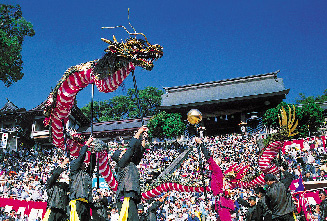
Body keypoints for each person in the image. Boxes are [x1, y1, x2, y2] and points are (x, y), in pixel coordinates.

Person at [111, 126, 148, 221]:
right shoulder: (121, 163)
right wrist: (139, 132)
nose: (125, 152)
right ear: (119, 157)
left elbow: (140, 152)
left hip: (131, 193)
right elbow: (131, 148)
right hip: (125, 195)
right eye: (123, 152)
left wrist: (143, 138)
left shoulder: (130, 163)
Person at [69, 136, 96, 221]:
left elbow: (92, 166)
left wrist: (93, 152)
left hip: (86, 202)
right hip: (77, 202)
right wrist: (87, 144)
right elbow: (81, 157)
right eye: (82, 163)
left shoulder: (85, 174)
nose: (85, 163)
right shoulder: (74, 171)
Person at [43, 157, 69, 221]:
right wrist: (63, 164)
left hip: (63, 212)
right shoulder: (50, 184)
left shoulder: (64, 185)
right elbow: (55, 175)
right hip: (53, 210)